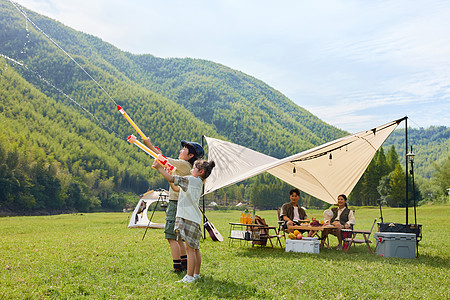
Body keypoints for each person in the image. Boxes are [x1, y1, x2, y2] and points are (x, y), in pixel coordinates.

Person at [133, 135, 204, 273]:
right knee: (179, 238)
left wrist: (149, 144)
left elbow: (161, 158)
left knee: (171, 236)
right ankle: (184, 264)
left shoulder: (184, 165)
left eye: (184, 149)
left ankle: (177, 267)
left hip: (175, 202)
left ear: (190, 155)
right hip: (180, 202)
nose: (181, 150)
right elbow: (169, 171)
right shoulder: (185, 167)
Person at [152, 159, 215, 283]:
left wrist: (159, 168)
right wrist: (169, 173)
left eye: (194, 168)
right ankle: (196, 274)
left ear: (200, 171)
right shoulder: (197, 182)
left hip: (188, 218)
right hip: (194, 219)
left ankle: (189, 276)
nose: (191, 169)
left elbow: (172, 179)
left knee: (190, 249)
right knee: (195, 248)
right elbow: (176, 188)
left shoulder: (190, 180)